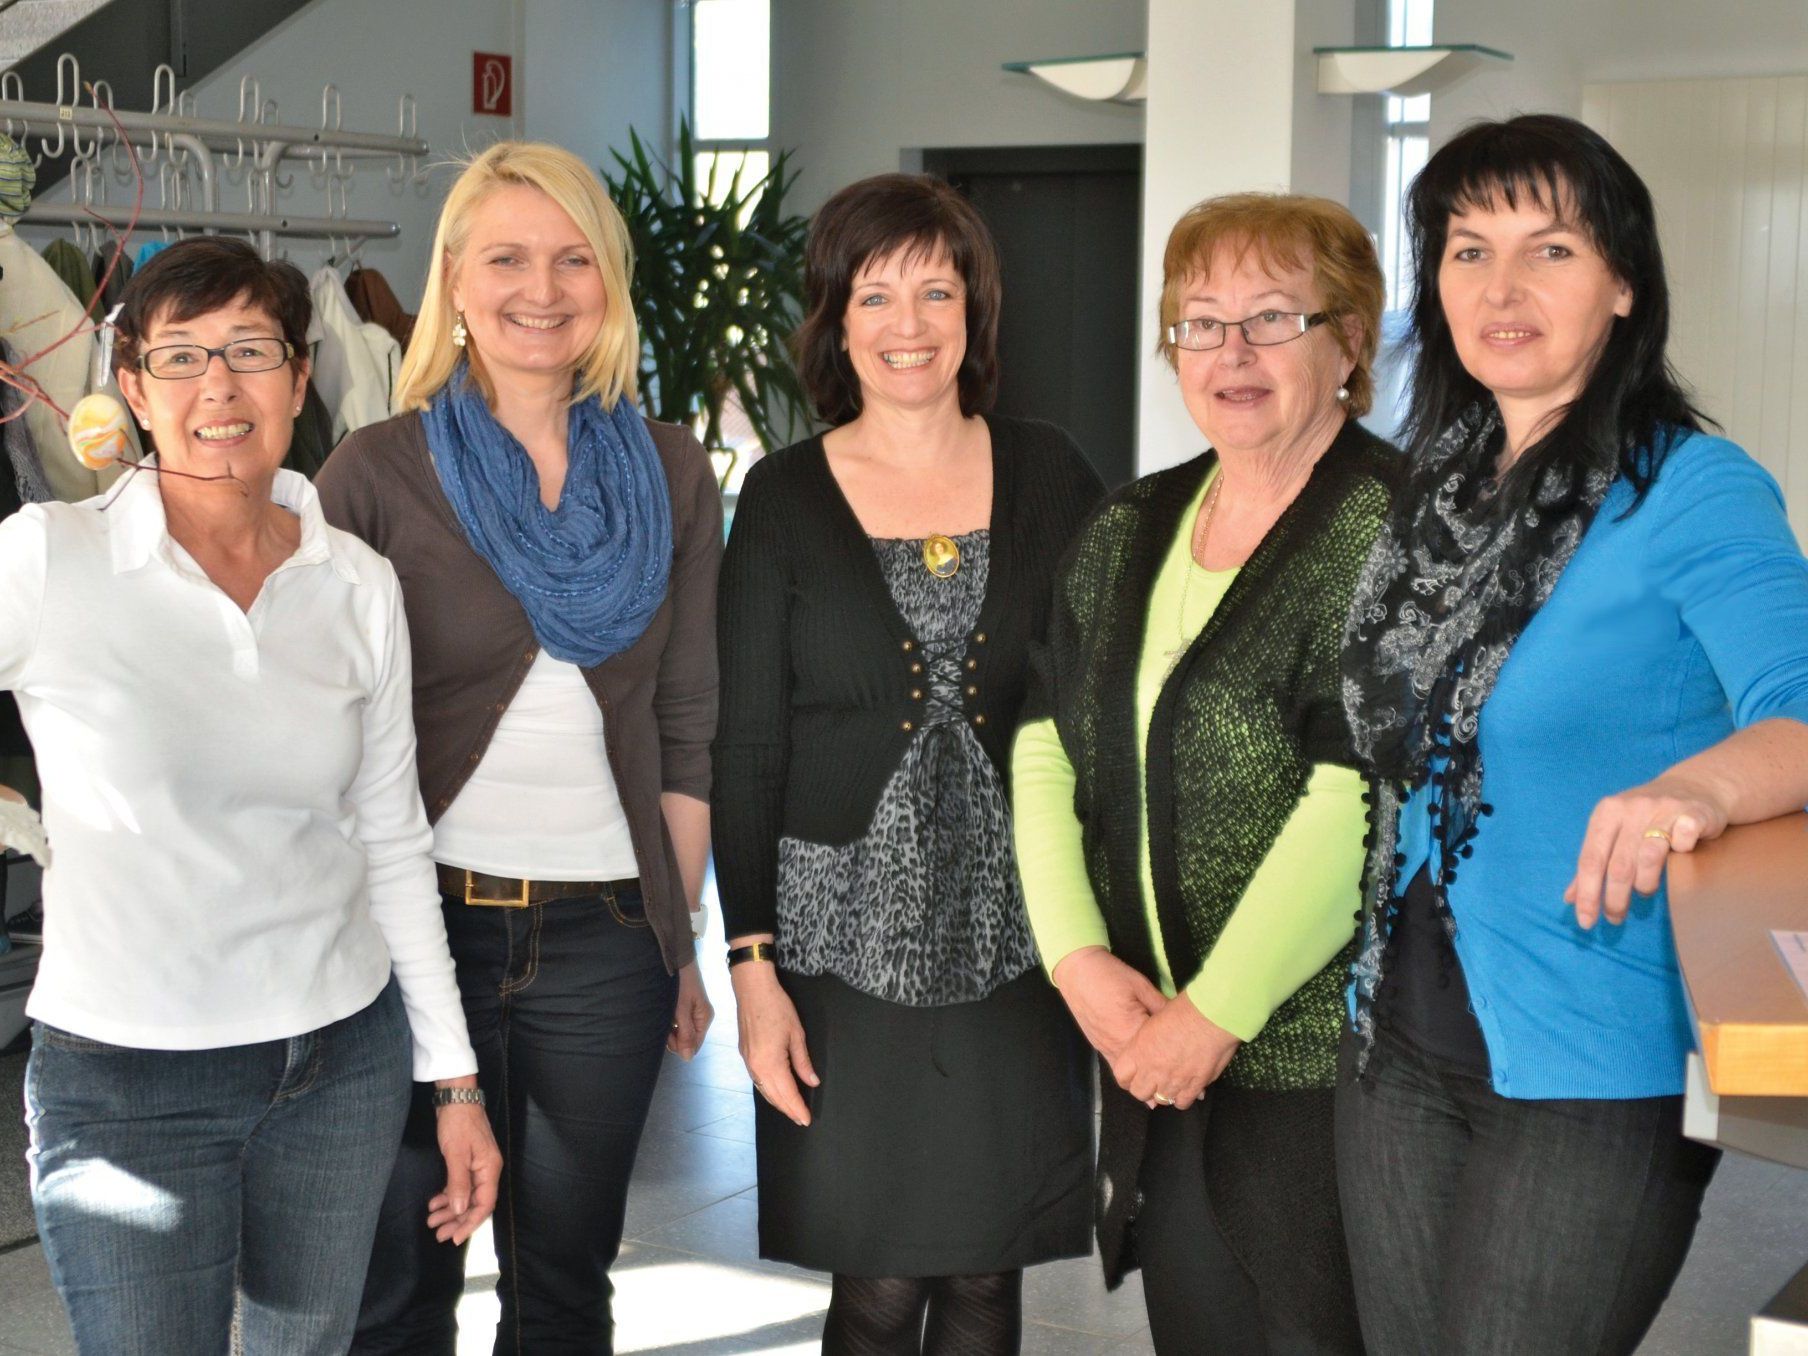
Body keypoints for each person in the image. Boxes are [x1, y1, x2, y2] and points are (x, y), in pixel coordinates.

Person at [1337, 113, 1808, 1355]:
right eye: (1464, 248)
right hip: (1392, 1028)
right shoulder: (1434, 484)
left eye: (1547, 250)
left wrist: (1691, 793)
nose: (1499, 287)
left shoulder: (1690, 487)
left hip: (1588, 1051)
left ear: (1619, 286)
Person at [0, 237, 497, 1356]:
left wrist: (453, 1082)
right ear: (129, 388)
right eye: (179, 356)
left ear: (300, 376)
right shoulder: (49, 560)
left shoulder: (354, 582)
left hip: (337, 1063)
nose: (217, 386)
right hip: (127, 1080)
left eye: (250, 350)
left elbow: (391, 838)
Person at [317, 140, 719, 1356]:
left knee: (562, 1288)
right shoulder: (373, 472)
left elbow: (688, 724)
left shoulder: (669, 467)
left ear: (609, 279)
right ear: (452, 275)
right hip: (413, 932)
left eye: (570, 259)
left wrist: (676, 933)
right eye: (504, 258)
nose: (539, 290)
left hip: (608, 943)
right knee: (400, 1287)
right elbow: (319, 733)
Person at [712, 173, 1102, 1355]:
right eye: (874, 295)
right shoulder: (781, 498)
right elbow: (748, 743)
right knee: (875, 1284)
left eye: (935, 290)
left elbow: (1098, 709)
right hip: (837, 952)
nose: (908, 324)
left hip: (1017, 939)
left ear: (973, 312)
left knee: (987, 1274)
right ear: (834, 321)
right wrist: (750, 968)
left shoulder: (1052, 474)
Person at [1012, 193, 1398, 1355]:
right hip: (1149, 1054)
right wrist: (1077, 964)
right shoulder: (1134, 522)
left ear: (1349, 342)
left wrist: (1212, 1016)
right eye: (1198, 322)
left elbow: (1358, 798)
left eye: (1271, 319)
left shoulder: (1395, 527)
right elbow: (1043, 739)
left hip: (1320, 1074)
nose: (1229, 353)